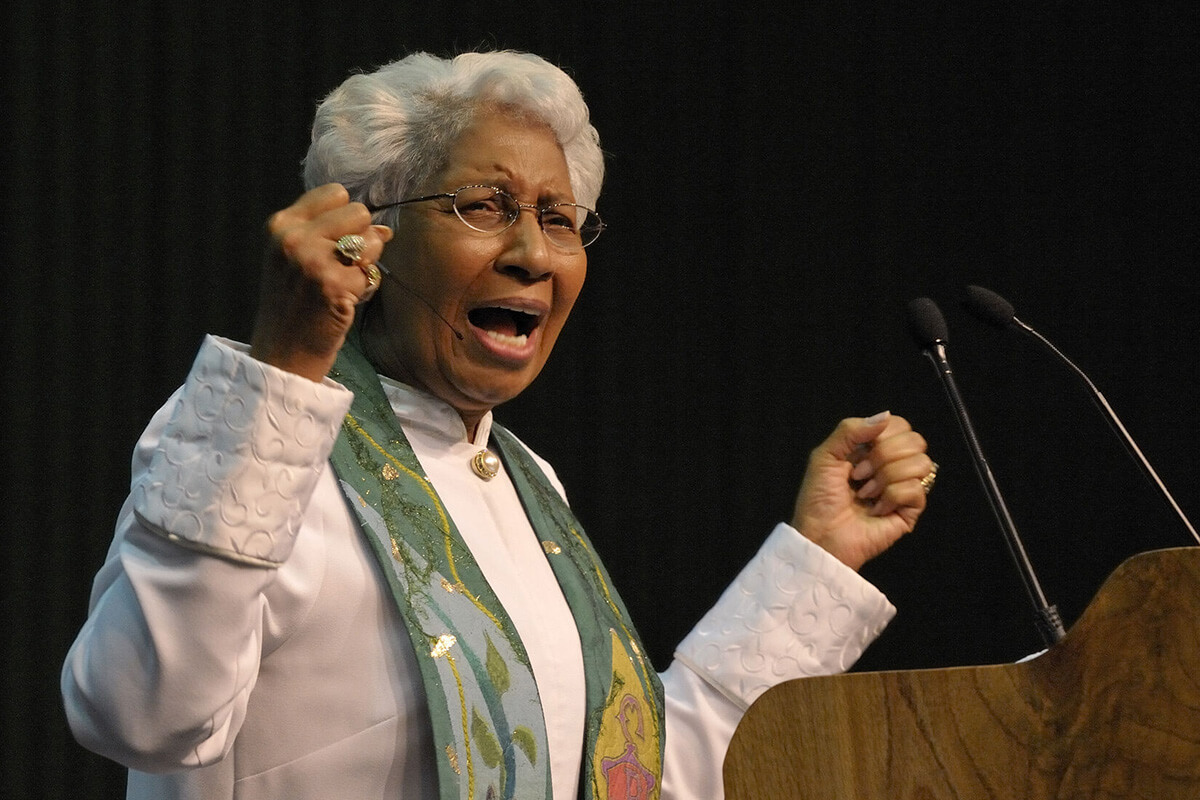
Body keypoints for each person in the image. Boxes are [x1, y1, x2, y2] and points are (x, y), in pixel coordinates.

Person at [61, 50, 937, 800]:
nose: (532, 254)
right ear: (370, 235)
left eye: (559, 220)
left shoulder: (527, 482)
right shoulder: (262, 442)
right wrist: (282, 372)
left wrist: (818, 559)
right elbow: (138, 715)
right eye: (483, 205)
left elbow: (632, 780)